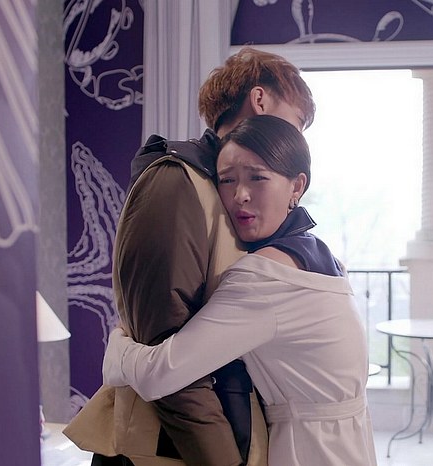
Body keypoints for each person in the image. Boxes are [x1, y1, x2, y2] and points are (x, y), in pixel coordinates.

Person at [63, 48, 316, 466]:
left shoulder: (227, 192)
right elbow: (166, 354)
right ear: (260, 100)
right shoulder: (176, 181)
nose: (296, 141)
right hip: (167, 448)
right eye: (298, 122)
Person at [102, 115, 377, 466]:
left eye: (257, 178)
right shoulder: (325, 259)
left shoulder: (265, 278)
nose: (239, 196)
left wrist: (117, 348)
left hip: (307, 451)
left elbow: (159, 375)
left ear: (297, 186)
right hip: (352, 444)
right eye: (227, 180)